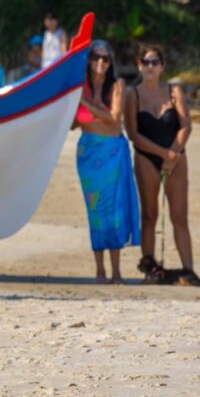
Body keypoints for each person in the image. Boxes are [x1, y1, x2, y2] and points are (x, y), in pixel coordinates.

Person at [124, 45, 197, 285]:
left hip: (176, 156)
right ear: (139, 65)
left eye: (155, 62)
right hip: (147, 157)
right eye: (146, 62)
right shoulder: (132, 95)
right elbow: (133, 133)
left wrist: (172, 154)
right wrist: (162, 154)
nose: (150, 67)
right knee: (149, 216)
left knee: (179, 216)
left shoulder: (173, 91)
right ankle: (150, 268)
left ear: (162, 66)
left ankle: (189, 270)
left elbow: (186, 125)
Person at [74, 40, 139, 284]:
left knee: (114, 211)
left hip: (112, 153)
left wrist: (86, 104)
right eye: (96, 58)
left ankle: (116, 271)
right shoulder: (80, 86)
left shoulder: (117, 85)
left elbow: (113, 119)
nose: (100, 63)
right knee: (96, 212)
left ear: (111, 62)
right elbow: (73, 122)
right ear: (89, 60)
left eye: (105, 59)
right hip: (89, 153)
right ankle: (100, 270)